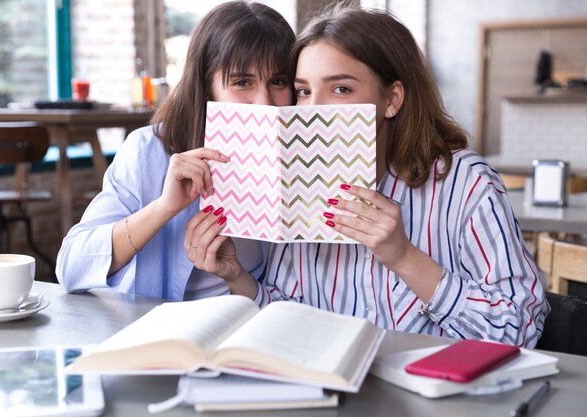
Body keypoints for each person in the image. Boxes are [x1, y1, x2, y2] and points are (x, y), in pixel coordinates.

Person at [189, 6, 548, 348]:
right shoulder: (297, 184)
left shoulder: (465, 182)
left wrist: (404, 257)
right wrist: (237, 277)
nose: (312, 110)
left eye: (341, 89)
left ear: (391, 99)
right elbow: (287, 312)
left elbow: (520, 328)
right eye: (303, 91)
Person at [55, 1, 295, 300]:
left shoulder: (298, 161)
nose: (265, 102)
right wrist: (163, 208)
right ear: (206, 87)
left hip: (248, 324)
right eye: (242, 81)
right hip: (154, 327)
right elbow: (70, 267)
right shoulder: (148, 151)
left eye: (278, 81)